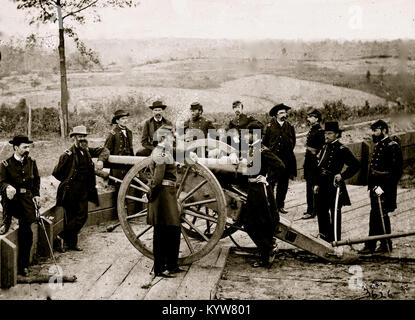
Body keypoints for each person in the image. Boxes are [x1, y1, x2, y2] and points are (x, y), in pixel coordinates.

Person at [52, 125, 109, 251]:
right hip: (71, 189)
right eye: (79, 137)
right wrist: (68, 180)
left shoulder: (86, 150)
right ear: (74, 138)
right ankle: (71, 244)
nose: (82, 139)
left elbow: (105, 150)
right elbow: (56, 172)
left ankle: (62, 237)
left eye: (84, 136)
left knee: (82, 217)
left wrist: (100, 161)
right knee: (71, 216)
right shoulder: (67, 154)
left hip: (84, 189)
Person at [239, 122, 286, 268]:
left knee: (261, 223)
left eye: (248, 134)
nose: (246, 136)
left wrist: (268, 179)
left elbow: (280, 166)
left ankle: (267, 253)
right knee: (248, 223)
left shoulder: (262, 150)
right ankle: (267, 248)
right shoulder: (253, 149)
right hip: (253, 190)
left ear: (256, 134)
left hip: (260, 191)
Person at [359, 120, 403, 254]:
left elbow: (395, 172)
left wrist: (382, 189)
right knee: (376, 214)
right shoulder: (379, 145)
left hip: (384, 188)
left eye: (376, 130)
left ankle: (383, 243)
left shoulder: (391, 146)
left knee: (381, 214)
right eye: (373, 130)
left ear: (383, 130)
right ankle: (377, 243)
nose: (373, 133)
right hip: (376, 187)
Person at [146, 126, 185, 278]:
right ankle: (160, 268)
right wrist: (150, 196)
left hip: (168, 195)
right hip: (162, 196)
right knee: (162, 233)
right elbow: (157, 179)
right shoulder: (161, 152)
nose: (173, 139)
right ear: (163, 138)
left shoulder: (164, 151)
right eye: (171, 137)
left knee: (173, 230)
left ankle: (172, 265)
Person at [0, 135, 41, 276]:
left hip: (27, 201)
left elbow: (36, 180)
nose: (27, 149)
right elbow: (0, 182)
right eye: (24, 147)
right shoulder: (5, 164)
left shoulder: (31, 162)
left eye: (28, 147)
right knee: (7, 229)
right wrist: (7, 187)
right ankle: (5, 224)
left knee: (27, 232)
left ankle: (23, 265)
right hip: (12, 202)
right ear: (16, 148)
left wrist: (36, 195)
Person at [314, 122, 360, 243]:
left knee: (335, 213)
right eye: (325, 133)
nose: (327, 136)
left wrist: (342, 175)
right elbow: (319, 167)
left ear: (337, 134)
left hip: (334, 185)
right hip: (322, 184)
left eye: (329, 133)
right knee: (321, 211)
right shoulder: (324, 147)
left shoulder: (342, 149)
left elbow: (355, 165)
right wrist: (317, 183)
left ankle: (335, 240)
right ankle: (324, 238)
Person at [263, 103, 297, 214]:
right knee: (271, 183)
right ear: (276, 115)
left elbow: (293, 143)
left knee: (283, 184)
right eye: (281, 113)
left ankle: (280, 206)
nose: (284, 114)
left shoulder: (290, 127)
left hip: (286, 160)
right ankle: (270, 206)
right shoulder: (269, 127)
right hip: (273, 161)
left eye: (285, 112)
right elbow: (265, 144)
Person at [302, 108, 325, 220]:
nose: (308, 118)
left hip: (314, 164)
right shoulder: (312, 130)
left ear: (316, 119)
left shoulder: (320, 132)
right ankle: (310, 209)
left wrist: (308, 148)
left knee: (313, 187)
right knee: (309, 186)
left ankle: (312, 211)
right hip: (309, 163)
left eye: (310, 117)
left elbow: (319, 150)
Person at [104, 109, 134, 182]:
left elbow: (131, 149)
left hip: (129, 161)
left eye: (126, 118)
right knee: (119, 183)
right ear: (117, 121)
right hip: (117, 164)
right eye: (123, 119)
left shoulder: (129, 132)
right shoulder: (113, 133)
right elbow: (106, 149)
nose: (125, 120)